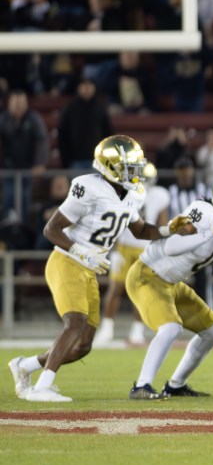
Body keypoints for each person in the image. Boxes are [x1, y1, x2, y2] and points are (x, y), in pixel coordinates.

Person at [9, 136, 170, 402]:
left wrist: (169, 230)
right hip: (66, 261)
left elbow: (141, 230)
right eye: (129, 166)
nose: (135, 171)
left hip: (89, 270)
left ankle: (25, 366)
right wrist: (81, 251)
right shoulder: (87, 187)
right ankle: (41, 388)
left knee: (83, 345)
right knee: (75, 323)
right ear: (111, 166)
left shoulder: (134, 193)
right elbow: (51, 229)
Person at [127, 178, 213, 399]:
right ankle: (141, 386)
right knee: (171, 328)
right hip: (147, 275)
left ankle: (176, 385)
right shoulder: (203, 212)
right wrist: (205, 235)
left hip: (172, 284)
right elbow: (171, 245)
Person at [97, 162, 170, 347]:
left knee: (142, 292)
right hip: (124, 246)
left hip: (145, 248)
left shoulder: (159, 195)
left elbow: (162, 225)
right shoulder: (125, 192)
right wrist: (113, 250)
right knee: (116, 288)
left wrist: (160, 252)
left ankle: (137, 331)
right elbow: (115, 221)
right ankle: (107, 329)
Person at [0, 90, 48, 221]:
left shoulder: (33, 118)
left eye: (20, 103)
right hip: (8, 166)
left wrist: (40, 163)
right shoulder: (3, 118)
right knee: (9, 197)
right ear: (9, 104)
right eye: (15, 103)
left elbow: (42, 140)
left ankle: (24, 227)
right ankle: (7, 228)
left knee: (25, 198)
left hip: (28, 167)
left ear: (26, 104)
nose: (18, 106)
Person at [57, 79, 113, 169]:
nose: (86, 88)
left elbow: (108, 133)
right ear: (78, 88)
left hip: (97, 160)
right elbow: (63, 134)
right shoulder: (70, 108)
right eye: (84, 85)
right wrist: (67, 159)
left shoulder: (101, 108)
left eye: (89, 85)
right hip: (75, 160)